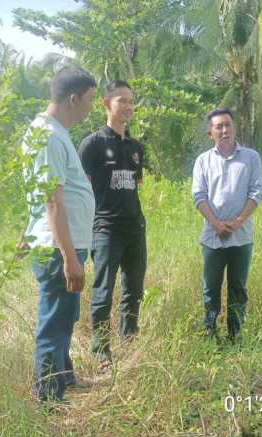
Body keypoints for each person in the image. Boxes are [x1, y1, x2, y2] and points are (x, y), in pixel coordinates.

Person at [22, 65, 97, 404]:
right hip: (58, 249)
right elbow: (52, 199)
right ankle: (49, 399)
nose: (92, 107)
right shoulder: (49, 136)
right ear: (73, 98)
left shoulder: (55, 133)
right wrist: (68, 257)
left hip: (63, 243)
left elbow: (41, 192)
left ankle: (64, 378)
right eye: (90, 99)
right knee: (54, 321)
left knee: (66, 315)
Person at [78, 81, 146, 364]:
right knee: (103, 288)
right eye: (122, 101)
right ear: (106, 104)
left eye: (131, 101)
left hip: (135, 228)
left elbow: (134, 185)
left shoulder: (136, 147)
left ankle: (128, 339)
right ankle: (100, 348)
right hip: (105, 228)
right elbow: (80, 187)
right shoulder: (92, 144)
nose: (128, 106)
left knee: (134, 288)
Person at [191, 108, 262, 342]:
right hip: (212, 237)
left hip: (241, 236)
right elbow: (199, 196)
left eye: (228, 125)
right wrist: (216, 225)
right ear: (210, 132)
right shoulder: (203, 160)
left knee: (238, 289)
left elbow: (256, 192)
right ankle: (210, 333)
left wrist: (237, 222)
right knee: (210, 288)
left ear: (234, 127)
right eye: (219, 127)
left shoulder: (251, 157)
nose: (224, 130)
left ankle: (236, 335)